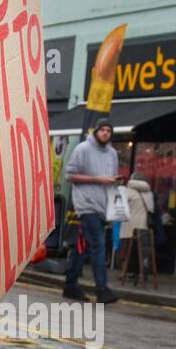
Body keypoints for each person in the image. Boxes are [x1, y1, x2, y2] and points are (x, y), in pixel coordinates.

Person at [63, 118, 120, 304]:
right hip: (86, 205)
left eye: (108, 130)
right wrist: (99, 179)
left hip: (102, 206)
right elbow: (70, 175)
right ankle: (101, 288)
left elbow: (109, 179)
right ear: (96, 131)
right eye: (102, 130)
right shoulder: (83, 149)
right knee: (98, 244)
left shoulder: (112, 153)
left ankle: (70, 284)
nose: (105, 133)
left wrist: (113, 182)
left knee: (84, 246)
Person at [119, 171, 157, 285]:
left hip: (128, 225)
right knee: (142, 251)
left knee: (125, 251)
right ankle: (142, 273)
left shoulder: (126, 191)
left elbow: (120, 208)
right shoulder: (149, 193)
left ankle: (124, 273)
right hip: (143, 226)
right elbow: (151, 209)